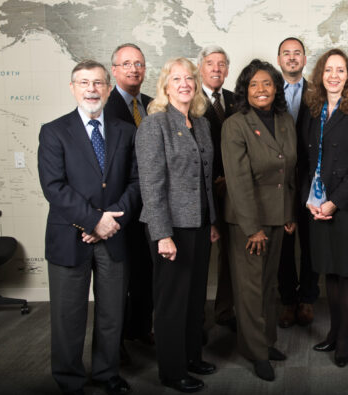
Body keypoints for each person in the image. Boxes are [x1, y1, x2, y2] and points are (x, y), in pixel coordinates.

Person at [38, 59, 138, 395]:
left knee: (112, 313)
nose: (91, 89)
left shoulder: (127, 131)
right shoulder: (53, 131)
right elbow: (54, 187)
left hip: (114, 234)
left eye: (98, 83)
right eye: (84, 83)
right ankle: (69, 380)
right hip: (70, 237)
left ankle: (107, 372)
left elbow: (136, 183)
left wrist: (111, 220)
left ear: (109, 89)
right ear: (73, 88)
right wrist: (95, 220)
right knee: (69, 317)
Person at [136, 57, 219, 393]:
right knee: (172, 302)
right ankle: (172, 370)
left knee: (195, 298)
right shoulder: (153, 126)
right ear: (165, 86)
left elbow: (206, 179)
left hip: (199, 224)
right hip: (170, 228)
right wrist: (162, 234)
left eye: (189, 78)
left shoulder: (200, 124)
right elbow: (151, 186)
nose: (184, 84)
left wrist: (211, 221)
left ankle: (191, 357)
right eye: (177, 79)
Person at [221, 59, 296, 382]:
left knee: (268, 285)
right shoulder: (235, 124)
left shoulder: (284, 119)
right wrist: (252, 228)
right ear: (245, 91)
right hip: (247, 220)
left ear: (276, 87)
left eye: (267, 83)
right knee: (250, 289)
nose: (261, 89)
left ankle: (266, 342)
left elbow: (290, 170)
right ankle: (255, 352)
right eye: (254, 85)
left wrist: (289, 213)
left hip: (278, 215)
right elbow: (237, 181)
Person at [299, 48, 348, 367]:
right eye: (329, 69)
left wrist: (333, 203)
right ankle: (333, 332)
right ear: (320, 74)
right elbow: (305, 161)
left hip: (345, 206)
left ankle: (344, 339)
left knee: (347, 272)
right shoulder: (312, 110)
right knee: (327, 270)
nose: (334, 75)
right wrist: (309, 200)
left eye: (340, 70)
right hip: (316, 205)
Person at [103, 43, 155, 359]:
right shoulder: (104, 106)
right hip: (119, 203)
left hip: (149, 205)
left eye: (138, 63)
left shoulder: (152, 104)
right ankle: (116, 342)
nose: (133, 69)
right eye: (126, 63)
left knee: (145, 271)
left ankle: (139, 328)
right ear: (115, 70)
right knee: (117, 280)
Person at [276, 37, 319, 328]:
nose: (292, 58)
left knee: (311, 242)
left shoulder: (316, 93)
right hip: (277, 181)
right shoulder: (268, 91)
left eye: (297, 53)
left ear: (305, 59)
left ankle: (307, 299)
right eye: (286, 54)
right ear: (279, 59)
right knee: (283, 245)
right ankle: (287, 301)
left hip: (310, 178)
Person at [197, 45, 238, 333]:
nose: (216, 69)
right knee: (198, 259)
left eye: (222, 64)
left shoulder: (236, 100)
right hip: (201, 193)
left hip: (233, 192)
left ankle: (225, 310)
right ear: (200, 67)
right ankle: (195, 319)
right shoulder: (189, 97)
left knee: (231, 255)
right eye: (211, 63)